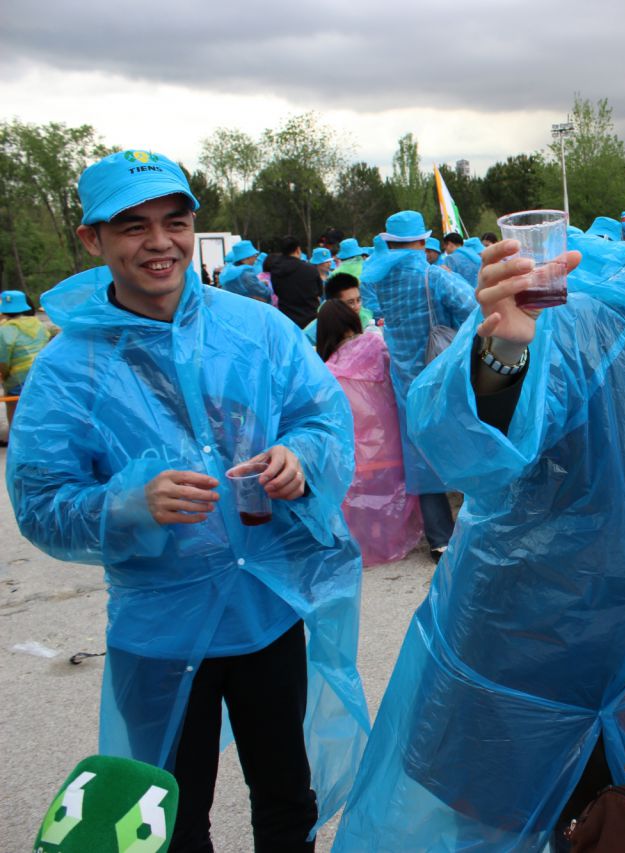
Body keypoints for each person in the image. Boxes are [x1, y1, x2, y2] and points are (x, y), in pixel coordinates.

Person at [334, 154, 625, 851]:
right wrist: (502, 352)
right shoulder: (579, 330)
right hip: (504, 683)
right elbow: (465, 445)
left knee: (588, 836)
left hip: (610, 684)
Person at [5, 149, 369, 851]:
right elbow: (40, 503)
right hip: (160, 628)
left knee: (287, 799)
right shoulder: (65, 370)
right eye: (133, 226)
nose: (159, 242)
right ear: (93, 239)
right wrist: (127, 503)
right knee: (165, 816)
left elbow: (322, 416)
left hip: (265, 612)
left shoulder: (256, 328)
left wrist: (301, 456)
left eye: (174, 222)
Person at [357, 210, 475, 560]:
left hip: (406, 381)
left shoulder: (381, 281)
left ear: (390, 243)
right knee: (464, 449)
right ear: (423, 242)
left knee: (421, 455)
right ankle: (474, 531)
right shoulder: (434, 276)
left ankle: (440, 538)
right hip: (441, 376)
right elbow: (474, 310)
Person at [315, 300, 424, 566]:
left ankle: (365, 547)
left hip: (358, 454)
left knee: (363, 504)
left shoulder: (325, 369)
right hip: (393, 445)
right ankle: (390, 542)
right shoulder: (377, 346)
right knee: (390, 499)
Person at [0, 289, 51, 438]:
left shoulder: (5, 329)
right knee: (37, 410)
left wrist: (4, 376)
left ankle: (15, 439)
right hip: (40, 374)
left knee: (15, 411)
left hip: (17, 379)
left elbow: (3, 359)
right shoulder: (39, 324)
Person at [264, 235, 324, 328]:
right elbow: (319, 293)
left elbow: (276, 291)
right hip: (310, 320)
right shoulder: (310, 269)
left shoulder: (275, 270)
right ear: (298, 250)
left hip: (287, 319)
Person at [303, 272, 376, 345]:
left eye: (358, 300)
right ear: (333, 304)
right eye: (350, 302)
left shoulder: (365, 321)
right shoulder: (313, 333)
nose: (357, 307)